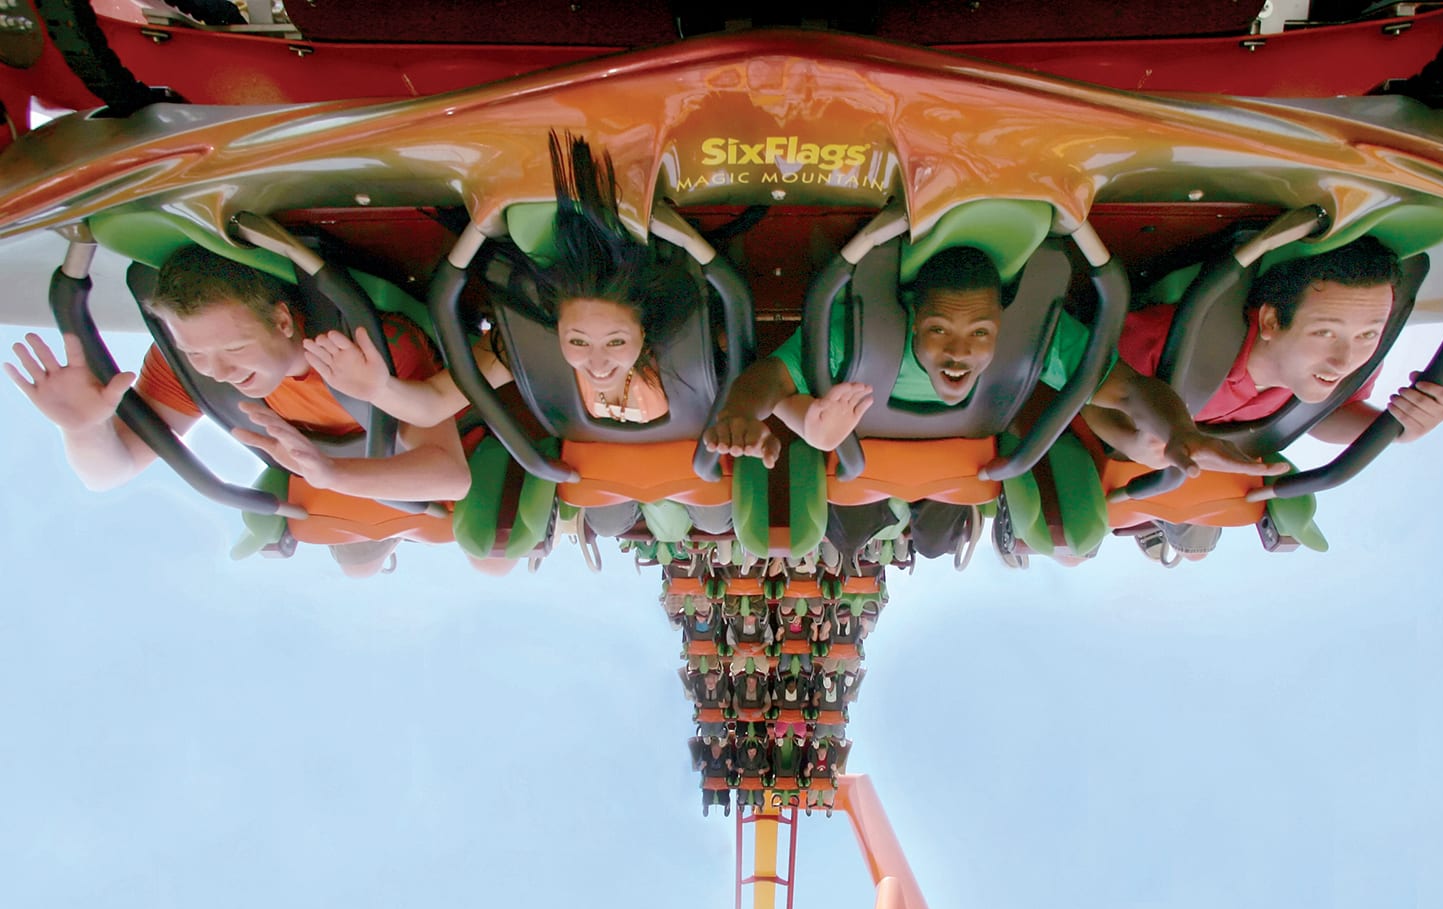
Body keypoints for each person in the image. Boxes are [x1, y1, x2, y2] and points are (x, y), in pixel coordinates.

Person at [299, 131, 732, 540]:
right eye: (578, 341)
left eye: (616, 342)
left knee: (713, 521)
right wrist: (379, 389)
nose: (597, 363)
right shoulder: (525, 350)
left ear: (644, 330)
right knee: (611, 523)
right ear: (556, 328)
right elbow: (432, 406)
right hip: (609, 464)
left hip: (682, 450)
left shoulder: (689, 344)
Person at [5, 246, 471, 576]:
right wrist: (83, 428)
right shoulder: (194, 368)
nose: (219, 370)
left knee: (478, 557)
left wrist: (336, 476)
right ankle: (369, 547)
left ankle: (382, 543)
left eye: (235, 347)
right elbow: (108, 473)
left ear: (283, 321)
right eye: (195, 354)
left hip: (445, 437)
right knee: (356, 566)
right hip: (332, 467)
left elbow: (450, 474)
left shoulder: (370, 350)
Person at [702, 245, 1277, 478]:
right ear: (909, 316)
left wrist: (1179, 431)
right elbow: (770, 378)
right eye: (936, 330)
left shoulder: (1041, 340)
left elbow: (1128, 392)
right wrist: (743, 411)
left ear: (1005, 320)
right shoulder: (859, 334)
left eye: (980, 331)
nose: (958, 350)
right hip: (863, 448)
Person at [1085, 236, 1443, 468]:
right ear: (1272, 321)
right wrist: (1127, 441)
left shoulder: (1353, 359)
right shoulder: (1171, 339)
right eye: (1324, 332)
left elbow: (1323, 414)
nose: (1344, 360)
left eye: (1368, 334)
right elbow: (1086, 391)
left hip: (1189, 459)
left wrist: (1396, 428)